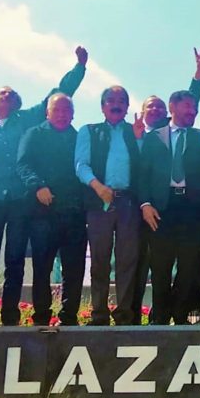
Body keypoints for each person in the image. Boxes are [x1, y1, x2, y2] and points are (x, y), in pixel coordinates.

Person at [0, 46, 88, 326]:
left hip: (22, 202)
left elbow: (59, 92)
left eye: (11, 93)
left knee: (15, 260)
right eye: (1, 94)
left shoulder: (28, 120)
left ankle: (10, 316)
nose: (6, 96)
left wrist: (79, 67)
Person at [132, 50, 200, 324]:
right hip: (160, 210)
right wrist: (145, 204)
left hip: (190, 210)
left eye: (195, 109)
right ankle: (159, 319)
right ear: (172, 108)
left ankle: (179, 314)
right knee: (161, 267)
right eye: (188, 107)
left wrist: (199, 74)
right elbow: (142, 174)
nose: (193, 111)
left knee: (188, 268)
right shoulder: (154, 138)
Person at [75, 86, 143, 326]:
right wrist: (97, 186)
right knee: (100, 260)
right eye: (111, 100)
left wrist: (139, 138)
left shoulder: (134, 131)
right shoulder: (89, 131)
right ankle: (99, 315)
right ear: (102, 106)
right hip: (99, 201)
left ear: (127, 106)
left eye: (121, 101)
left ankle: (124, 315)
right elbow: (81, 165)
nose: (116, 104)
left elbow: (143, 166)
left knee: (127, 260)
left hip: (128, 203)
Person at [16, 94, 86, 326]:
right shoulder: (34, 134)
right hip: (43, 214)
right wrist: (38, 186)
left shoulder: (80, 138)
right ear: (47, 112)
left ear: (73, 114)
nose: (62, 114)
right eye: (57, 110)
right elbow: (23, 164)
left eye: (67, 110)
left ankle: (68, 317)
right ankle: (42, 317)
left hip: (74, 215)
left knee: (73, 271)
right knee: (42, 268)